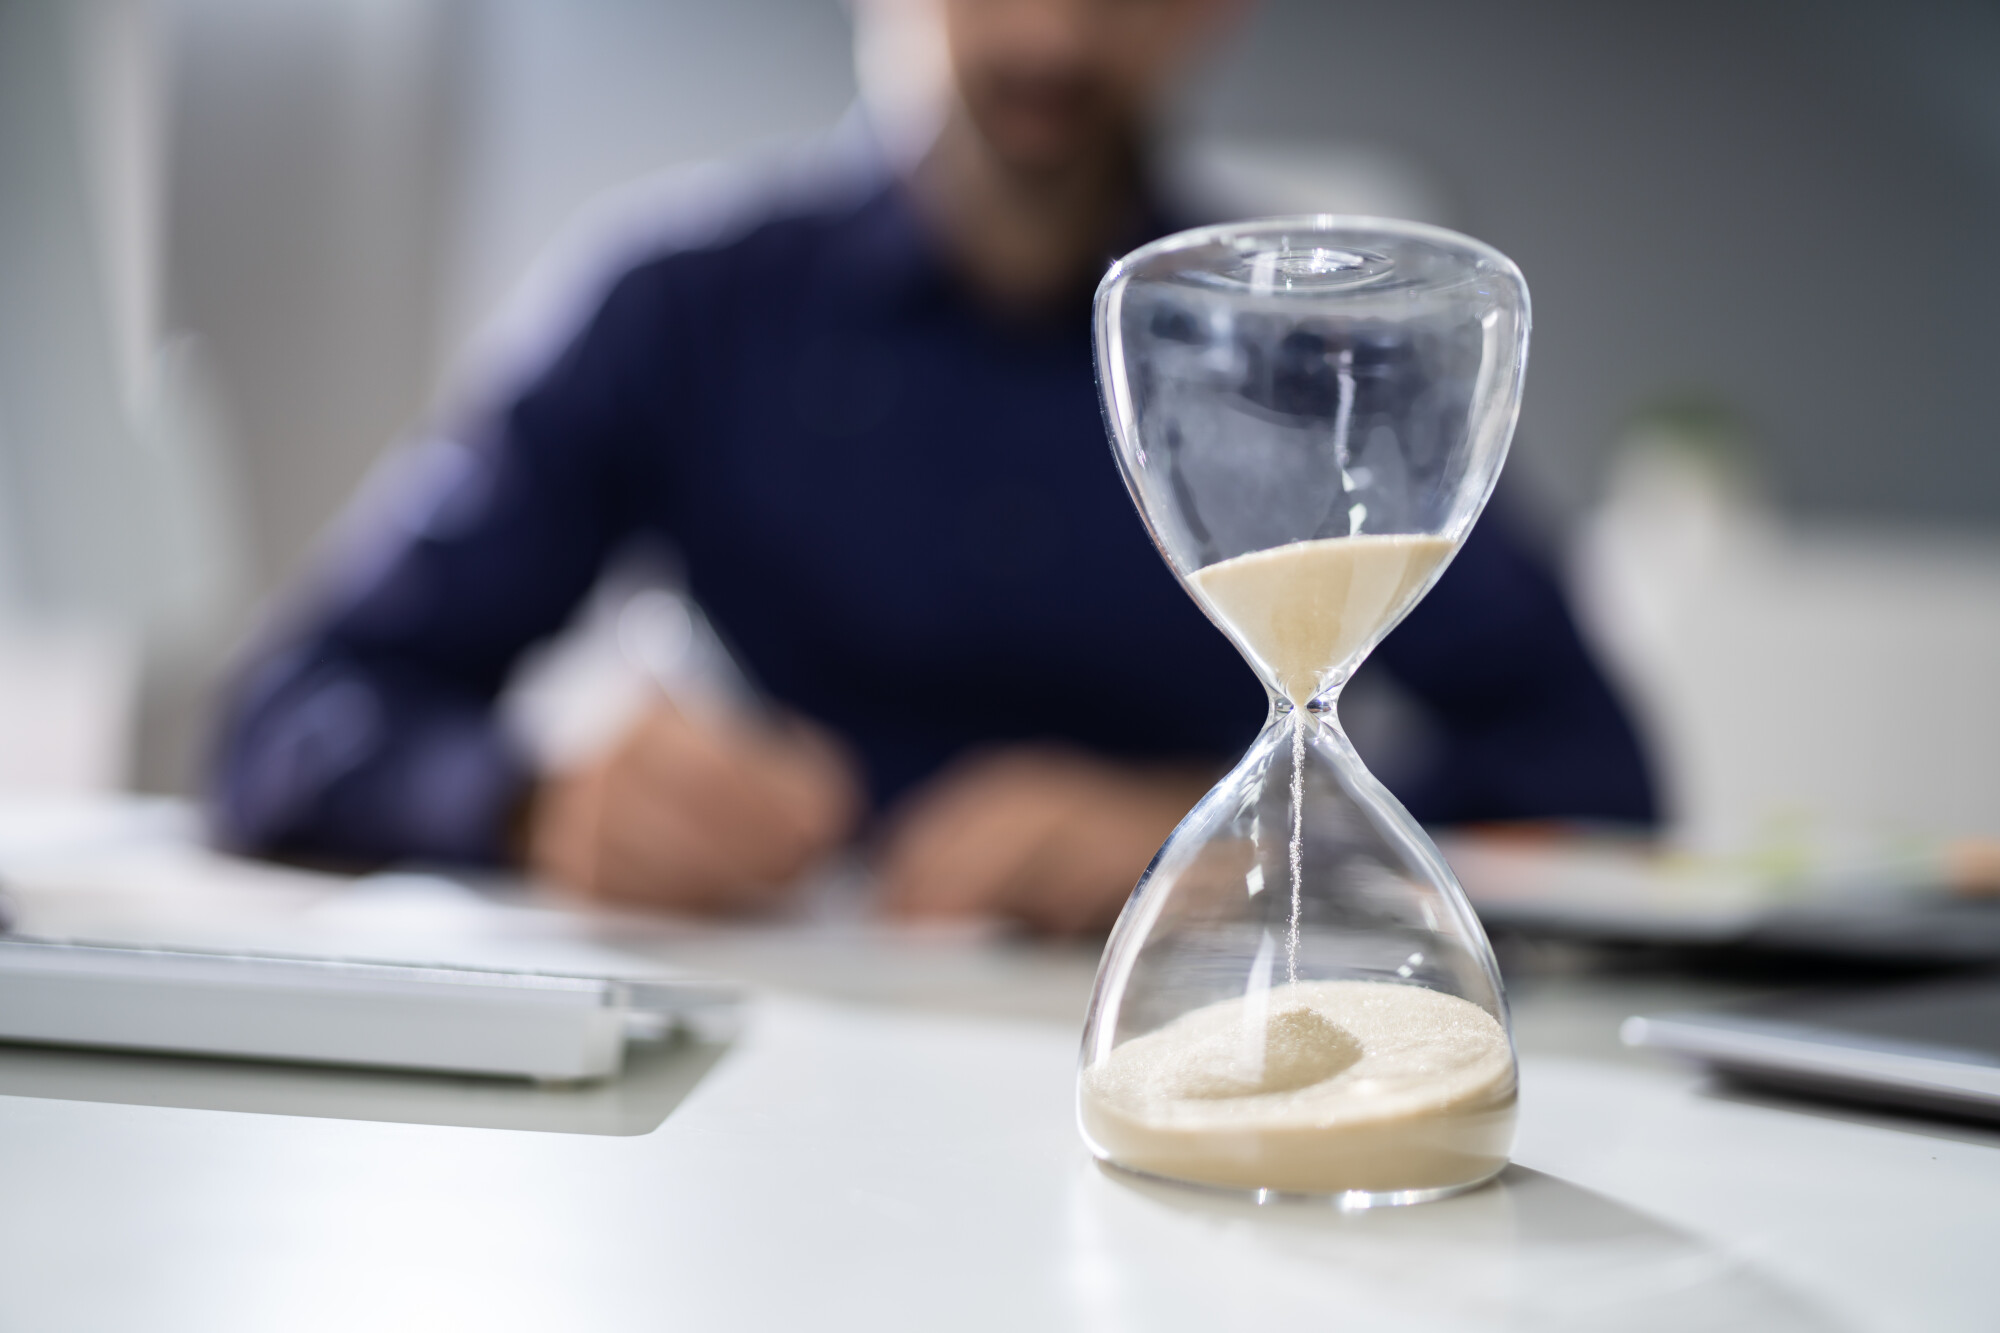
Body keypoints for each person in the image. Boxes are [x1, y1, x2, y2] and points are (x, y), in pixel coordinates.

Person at [211, 0, 1655, 934]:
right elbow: (292, 712)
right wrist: (530, 799)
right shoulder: (679, 310)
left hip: (1197, 1020)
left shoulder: (1322, 357)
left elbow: (1601, 781)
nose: (1050, 37)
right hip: (770, 1031)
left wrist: (1264, 835)